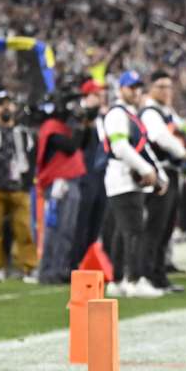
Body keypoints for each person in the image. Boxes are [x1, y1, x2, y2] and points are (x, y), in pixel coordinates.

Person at [101, 71, 168, 299]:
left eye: (138, 87)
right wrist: (146, 169)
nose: (136, 91)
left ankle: (119, 279)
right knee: (134, 231)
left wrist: (157, 172)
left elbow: (141, 147)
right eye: (131, 87)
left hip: (126, 178)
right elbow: (120, 147)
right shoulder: (118, 114)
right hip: (123, 178)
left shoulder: (129, 114)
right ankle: (133, 279)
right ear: (121, 89)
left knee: (123, 232)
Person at [139, 70, 186, 293]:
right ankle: (149, 275)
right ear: (151, 88)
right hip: (160, 172)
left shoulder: (167, 112)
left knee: (166, 227)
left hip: (172, 171)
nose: (166, 91)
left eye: (169, 87)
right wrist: (183, 152)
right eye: (161, 86)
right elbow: (161, 137)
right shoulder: (151, 112)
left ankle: (159, 276)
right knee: (156, 227)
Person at [0, 92, 38, 282]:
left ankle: (28, 267)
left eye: (9, 104)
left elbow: (31, 159)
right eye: (1, 105)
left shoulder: (23, 133)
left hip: (18, 187)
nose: (6, 108)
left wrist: (28, 183)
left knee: (24, 229)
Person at [35, 96, 90, 284]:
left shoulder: (64, 128)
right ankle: (48, 270)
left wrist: (84, 124)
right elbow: (70, 147)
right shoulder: (51, 127)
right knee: (56, 228)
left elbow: (84, 144)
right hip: (59, 183)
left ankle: (60, 268)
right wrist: (79, 126)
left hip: (71, 181)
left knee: (67, 230)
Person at [70, 79, 109, 275]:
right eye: (96, 94)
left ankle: (89, 261)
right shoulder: (78, 116)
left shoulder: (103, 118)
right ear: (87, 96)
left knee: (97, 220)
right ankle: (74, 261)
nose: (101, 97)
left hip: (101, 175)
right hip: (84, 174)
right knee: (81, 221)